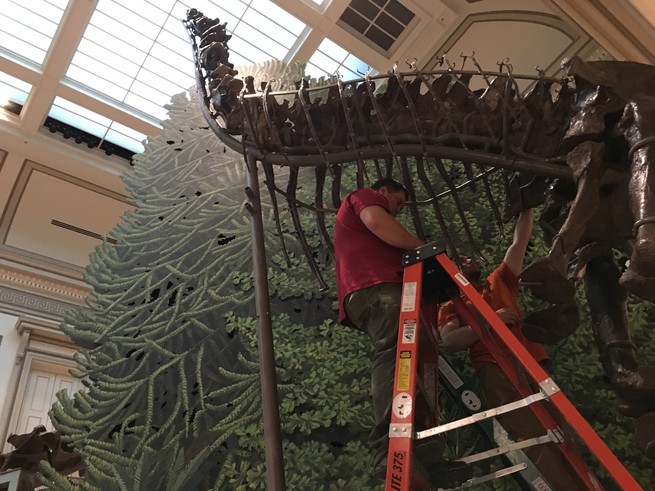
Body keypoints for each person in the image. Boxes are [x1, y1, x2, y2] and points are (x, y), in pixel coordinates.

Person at [334, 177, 470, 489]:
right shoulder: (364, 198)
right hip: (374, 286)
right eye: (398, 202)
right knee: (395, 348)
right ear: (383, 191)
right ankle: (386, 446)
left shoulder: (383, 239)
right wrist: (425, 248)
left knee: (418, 350)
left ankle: (424, 450)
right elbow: (377, 222)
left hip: (385, 288)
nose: (397, 210)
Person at [438, 208, 586, 490]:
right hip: (496, 371)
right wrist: (491, 322)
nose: (467, 261)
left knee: (564, 430)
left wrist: (525, 207)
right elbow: (451, 341)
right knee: (533, 436)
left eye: (467, 257)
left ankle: (584, 483)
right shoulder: (451, 306)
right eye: (460, 261)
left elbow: (519, 243)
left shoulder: (497, 281)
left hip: (531, 361)